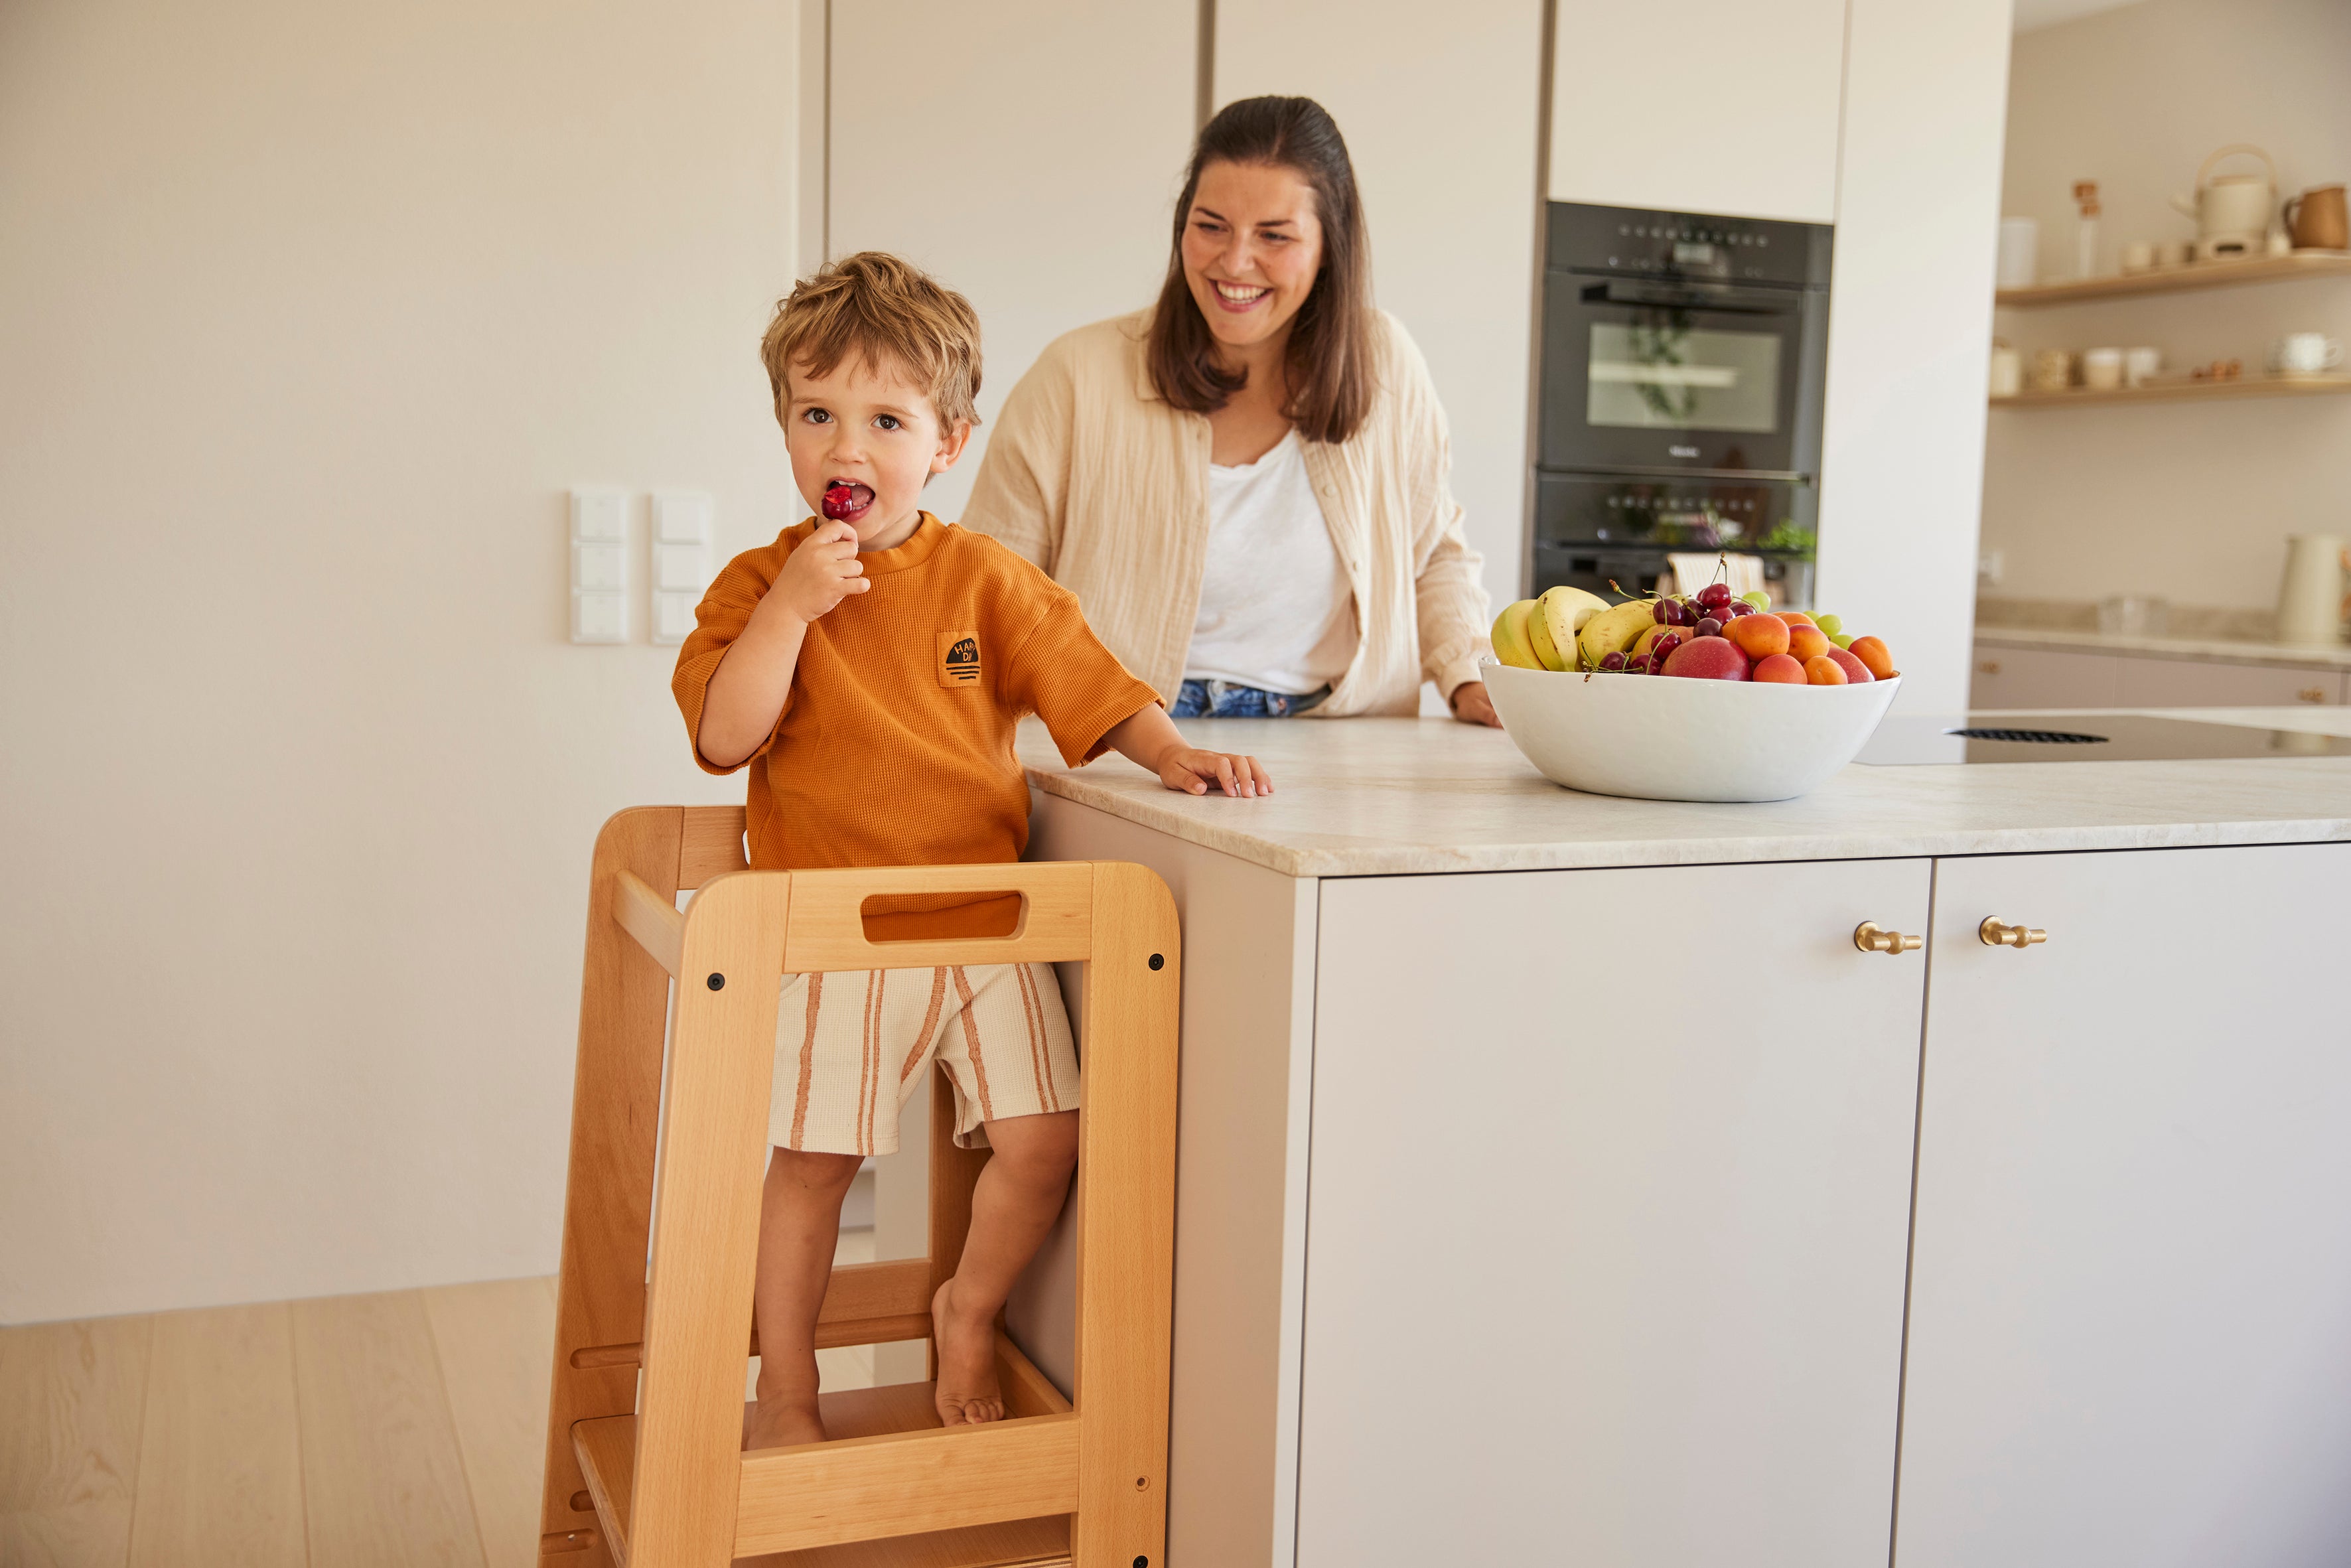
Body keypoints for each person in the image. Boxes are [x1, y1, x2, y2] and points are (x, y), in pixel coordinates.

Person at [673, 252, 1271, 1450]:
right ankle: (786, 1387)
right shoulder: (755, 584)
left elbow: (1086, 678)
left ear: (944, 443)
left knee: (1046, 1143)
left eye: (884, 420)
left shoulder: (984, 577)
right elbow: (722, 736)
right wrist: (792, 608)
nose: (848, 447)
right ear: (784, 428)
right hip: (839, 940)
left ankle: (967, 1304)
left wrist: (1169, 754)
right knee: (811, 1171)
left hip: (990, 927)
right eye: (817, 414)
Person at [963, 95, 1498, 725]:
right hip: (1122, 738)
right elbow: (992, 590)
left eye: (1274, 236)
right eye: (1211, 225)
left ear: (1330, 246)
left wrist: (1469, 679)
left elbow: (1432, 552)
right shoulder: (1075, 375)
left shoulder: (1387, 363)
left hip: (1336, 733)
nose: (1235, 261)